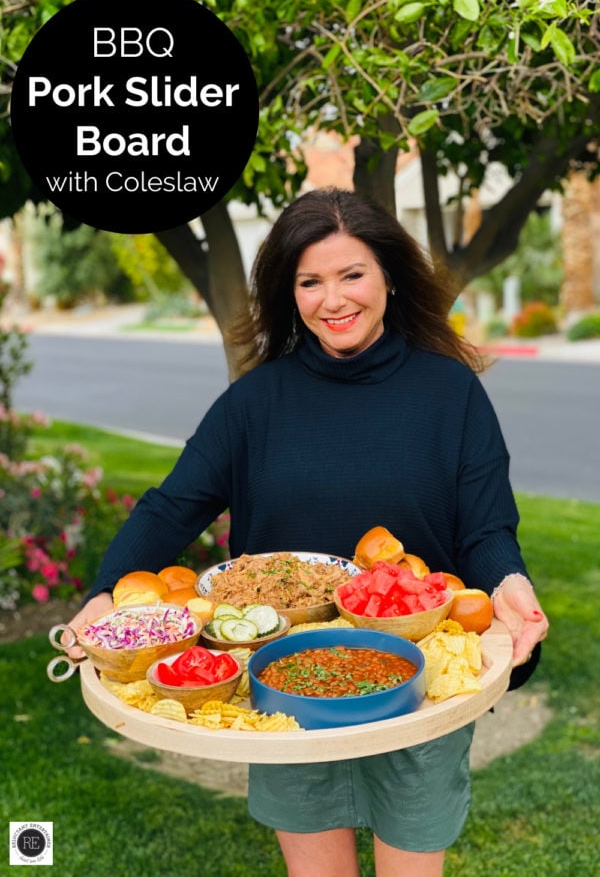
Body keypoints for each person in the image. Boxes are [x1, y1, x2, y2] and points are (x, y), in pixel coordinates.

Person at [67, 188, 549, 876]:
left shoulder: (450, 393)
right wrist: (105, 591)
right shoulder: (254, 403)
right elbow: (171, 507)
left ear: (387, 274)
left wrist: (509, 583)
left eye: (352, 274)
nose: (334, 299)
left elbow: (486, 527)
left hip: (416, 677)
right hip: (284, 684)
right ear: (288, 292)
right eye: (310, 281)